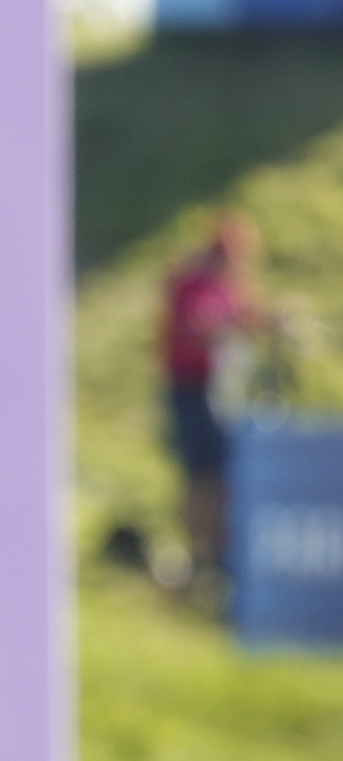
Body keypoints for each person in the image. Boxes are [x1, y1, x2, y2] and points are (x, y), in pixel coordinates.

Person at [164, 207, 283, 602]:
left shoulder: (226, 284)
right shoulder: (196, 281)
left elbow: (243, 317)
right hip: (192, 388)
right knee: (203, 475)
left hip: (221, 390)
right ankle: (201, 556)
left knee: (222, 474)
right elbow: (202, 327)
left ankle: (217, 555)